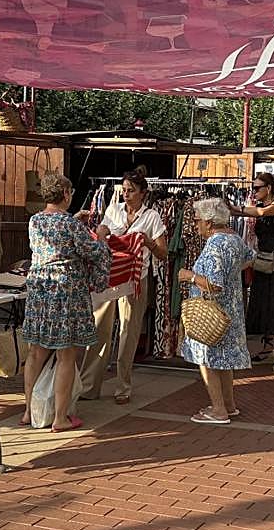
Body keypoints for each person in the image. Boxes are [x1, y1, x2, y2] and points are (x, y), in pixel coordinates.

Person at [22, 174, 111, 432]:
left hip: (39, 291)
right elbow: (93, 252)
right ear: (65, 193)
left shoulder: (35, 220)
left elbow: (56, 241)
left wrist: (75, 223)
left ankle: (29, 410)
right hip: (66, 292)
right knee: (66, 354)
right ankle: (60, 417)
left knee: (36, 351)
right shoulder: (71, 226)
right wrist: (101, 236)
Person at [79, 169, 168, 405]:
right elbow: (102, 234)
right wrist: (102, 232)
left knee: (128, 333)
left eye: (131, 191)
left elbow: (163, 253)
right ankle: (89, 386)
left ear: (143, 193)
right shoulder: (113, 209)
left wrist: (145, 241)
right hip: (110, 277)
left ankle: (123, 387)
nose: (126, 195)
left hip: (136, 279)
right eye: (124, 190)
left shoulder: (152, 217)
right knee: (100, 329)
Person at [179, 198, 254, 424]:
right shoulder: (233, 238)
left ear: (209, 222)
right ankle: (228, 405)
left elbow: (215, 283)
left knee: (207, 359)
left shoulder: (215, 244)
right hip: (231, 311)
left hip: (212, 314)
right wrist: (233, 275)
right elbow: (250, 258)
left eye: (198, 220)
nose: (196, 224)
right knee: (224, 361)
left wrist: (188, 276)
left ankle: (218, 409)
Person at [231, 172, 274, 370]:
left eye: (258, 188)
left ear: (268, 188)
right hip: (263, 258)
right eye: (253, 188)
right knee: (263, 299)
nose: (254, 191)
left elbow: (263, 213)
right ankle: (268, 347)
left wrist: (237, 209)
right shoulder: (258, 207)